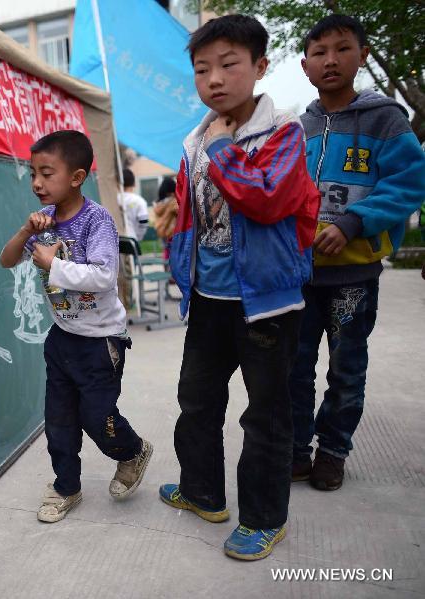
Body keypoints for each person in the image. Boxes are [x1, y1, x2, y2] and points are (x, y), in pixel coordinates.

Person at [156, 15, 320, 561]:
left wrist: (226, 152)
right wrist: (179, 258)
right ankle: (202, 492)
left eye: (229, 65)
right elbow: (190, 213)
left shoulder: (283, 133)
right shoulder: (196, 138)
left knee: (266, 414)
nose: (215, 79)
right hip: (209, 300)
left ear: (260, 66)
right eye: (203, 69)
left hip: (267, 303)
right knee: (196, 401)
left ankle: (263, 518)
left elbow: (269, 199)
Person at [289, 14, 425, 491]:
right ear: (305, 65)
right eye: (319, 52)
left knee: (346, 369)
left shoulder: (386, 119)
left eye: (342, 49)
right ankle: (296, 451)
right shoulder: (298, 127)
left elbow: (410, 183)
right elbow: (284, 193)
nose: (330, 60)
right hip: (300, 276)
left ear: (362, 56)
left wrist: (352, 223)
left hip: (354, 275)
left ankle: (333, 452)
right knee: (295, 369)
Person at [0, 130, 153, 523]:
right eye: (33, 173)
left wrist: (52, 264)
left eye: (46, 173)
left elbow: (104, 277)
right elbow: (6, 260)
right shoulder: (43, 221)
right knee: (59, 421)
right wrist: (24, 232)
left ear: (77, 176)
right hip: (62, 338)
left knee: (97, 418)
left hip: (101, 342)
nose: (36, 182)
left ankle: (132, 451)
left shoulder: (96, 220)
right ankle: (66, 486)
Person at [116, 168, 150, 308]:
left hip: (116, 239)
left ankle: (121, 301)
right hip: (132, 240)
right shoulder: (139, 201)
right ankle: (130, 302)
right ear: (134, 183)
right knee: (131, 273)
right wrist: (138, 237)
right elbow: (143, 223)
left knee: (119, 273)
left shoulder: (115, 198)